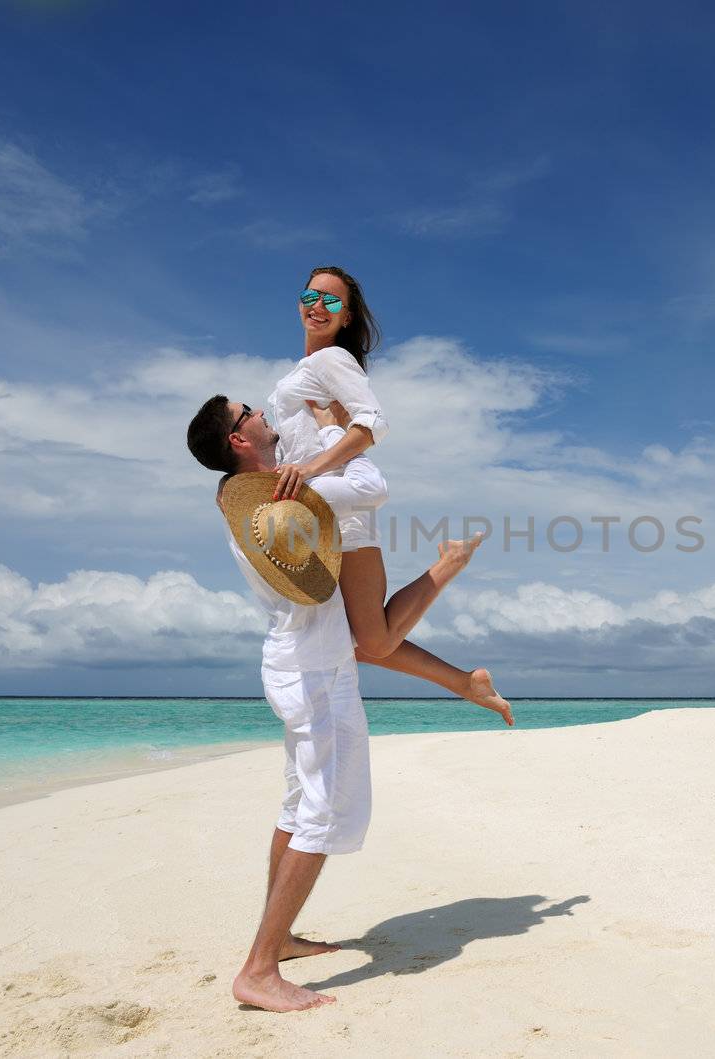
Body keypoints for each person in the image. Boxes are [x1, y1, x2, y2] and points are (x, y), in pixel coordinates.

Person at [185, 394, 505, 1013]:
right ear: (239, 441)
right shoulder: (294, 499)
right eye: (246, 411)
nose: (258, 411)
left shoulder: (248, 506)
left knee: (297, 806)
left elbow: (374, 639)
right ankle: (258, 969)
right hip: (314, 674)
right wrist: (337, 426)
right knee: (324, 814)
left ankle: (279, 944)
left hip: (295, 663)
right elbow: (370, 482)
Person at [263, 266, 509, 719]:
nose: (318, 307)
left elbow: (374, 422)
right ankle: (467, 683)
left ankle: (449, 562)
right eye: (310, 296)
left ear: (347, 317)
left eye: (331, 302)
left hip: (345, 516)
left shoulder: (331, 361)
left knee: (370, 641)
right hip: (317, 518)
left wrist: (311, 467)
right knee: (352, 642)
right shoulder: (306, 369)